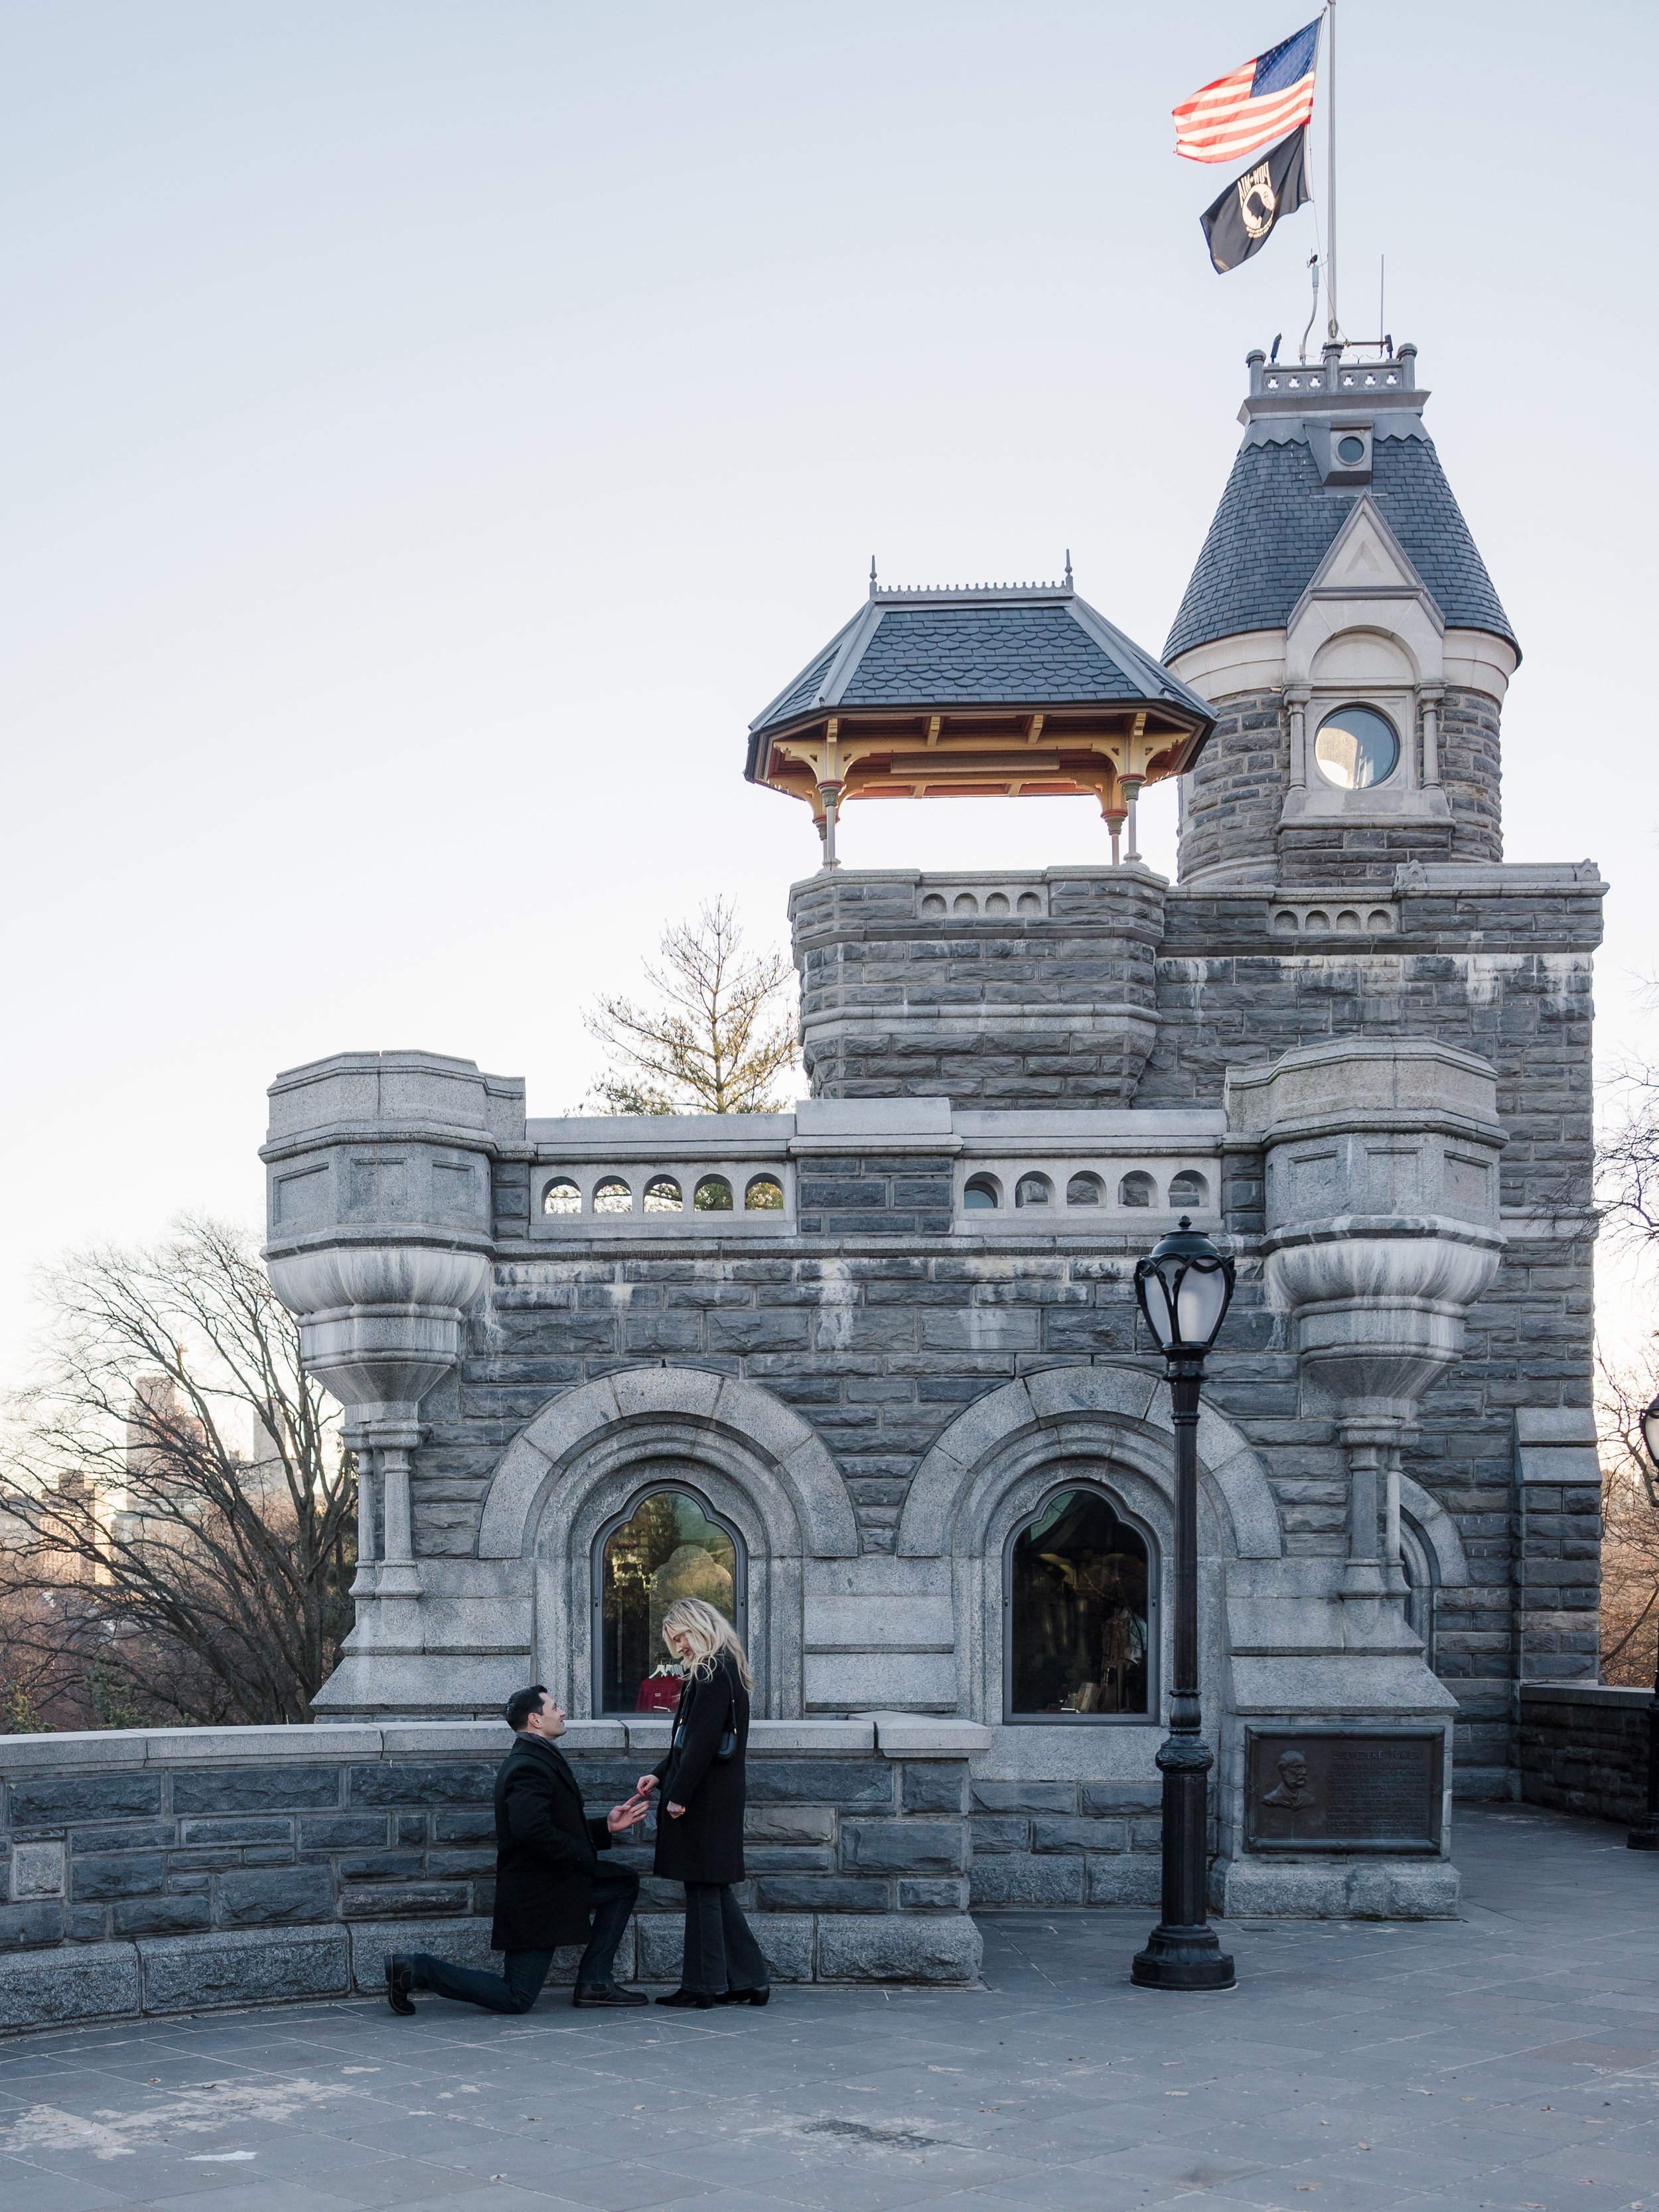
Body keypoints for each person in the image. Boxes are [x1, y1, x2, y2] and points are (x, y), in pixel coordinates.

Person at [386, 1683, 650, 2016]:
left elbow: (550, 1826)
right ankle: (416, 1969)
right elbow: (532, 1832)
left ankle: (596, 1981)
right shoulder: (528, 1766)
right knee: (517, 1997)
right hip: (538, 1897)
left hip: (552, 1886)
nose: (563, 1712)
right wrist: (584, 1856)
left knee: (623, 1882)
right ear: (535, 1720)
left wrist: (605, 1827)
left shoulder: (537, 1758)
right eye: (555, 1707)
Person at [636, 1597, 769, 2010]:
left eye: (682, 1639)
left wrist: (677, 1795)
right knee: (710, 1887)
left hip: (704, 1797)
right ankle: (749, 1978)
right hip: (714, 1794)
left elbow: (701, 1744)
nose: (680, 1650)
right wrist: (661, 1773)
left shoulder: (711, 1672)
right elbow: (689, 1739)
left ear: (697, 1628)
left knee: (703, 1890)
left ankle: (704, 1986)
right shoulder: (722, 1668)